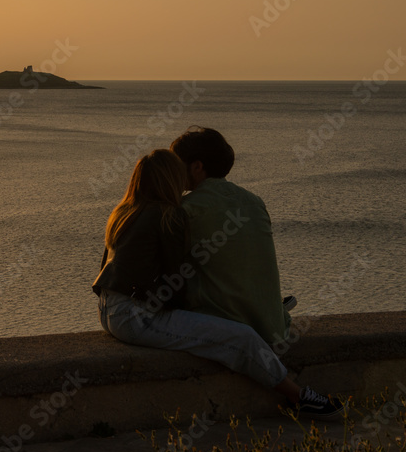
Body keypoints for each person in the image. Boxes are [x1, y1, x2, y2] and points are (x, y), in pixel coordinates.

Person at [92, 149, 344, 418]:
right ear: (170, 179)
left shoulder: (123, 213)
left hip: (108, 310)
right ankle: (299, 396)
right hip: (136, 318)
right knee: (242, 336)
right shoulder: (168, 216)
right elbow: (175, 284)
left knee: (220, 323)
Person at [168, 127, 290, 346]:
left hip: (228, 327)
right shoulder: (255, 202)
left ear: (197, 167)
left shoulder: (187, 210)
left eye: (176, 165)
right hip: (272, 326)